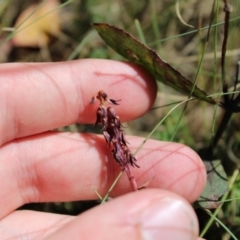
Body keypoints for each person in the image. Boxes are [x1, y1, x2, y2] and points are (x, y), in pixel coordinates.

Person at [0, 59, 206, 240]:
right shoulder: (106, 116)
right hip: (118, 150)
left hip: (120, 150)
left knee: (133, 165)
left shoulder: (110, 116)